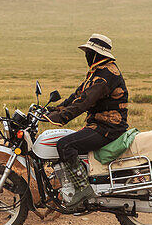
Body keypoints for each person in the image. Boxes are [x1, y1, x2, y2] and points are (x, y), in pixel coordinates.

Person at [45, 34, 128, 206]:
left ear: (98, 54)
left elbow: (85, 101)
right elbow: (77, 96)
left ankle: (83, 190)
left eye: (89, 52)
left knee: (65, 145)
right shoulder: (97, 72)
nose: (87, 55)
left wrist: (63, 117)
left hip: (108, 127)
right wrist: (52, 110)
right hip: (98, 125)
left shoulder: (105, 76)